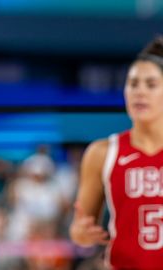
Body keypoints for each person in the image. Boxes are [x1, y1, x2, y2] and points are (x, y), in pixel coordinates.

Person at [70, 36, 163, 269]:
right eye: (132, 83)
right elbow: (79, 230)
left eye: (151, 84)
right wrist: (82, 232)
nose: (139, 92)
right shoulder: (103, 152)